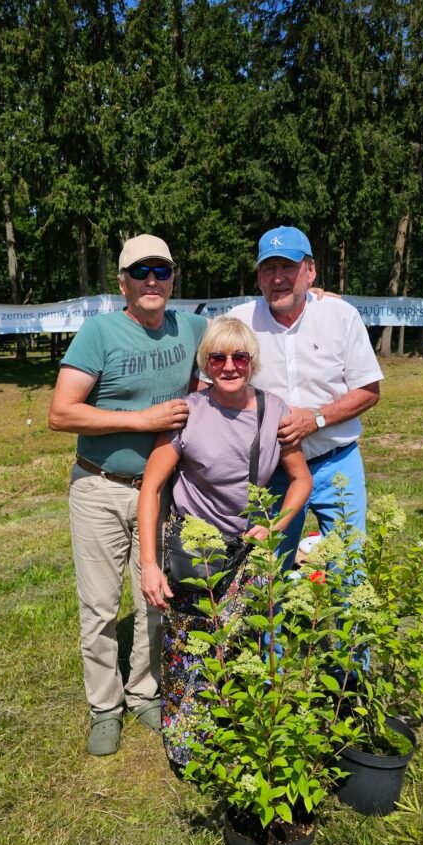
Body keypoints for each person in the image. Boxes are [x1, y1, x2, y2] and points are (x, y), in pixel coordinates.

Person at [48, 234, 208, 755]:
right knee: (98, 606)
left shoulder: (192, 328)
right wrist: (141, 420)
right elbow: (61, 412)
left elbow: (246, 335)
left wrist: (315, 296)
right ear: (122, 282)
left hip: (160, 493)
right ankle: (103, 706)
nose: (152, 280)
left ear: (173, 277)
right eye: (141, 272)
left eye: (161, 270)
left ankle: (143, 692)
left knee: (153, 597)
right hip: (99, 486)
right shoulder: (100, 332)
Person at [137, 316, 312, 766]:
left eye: (239, 357)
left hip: (246, 549)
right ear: (205, 361)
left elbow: (300, 480)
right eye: (218, 357)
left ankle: (235, 732)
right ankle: (185, 744)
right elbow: (152, 488)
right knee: (186, 646)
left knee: (239, 644)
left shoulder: (276, 412)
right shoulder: (188, 412)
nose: (229, 366)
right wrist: (150, 565)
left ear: (252, 362)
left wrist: (275, 526)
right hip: (192, 550)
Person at [227, 226, 383, 562]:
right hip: (270, 473)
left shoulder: (340, 316)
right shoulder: (238, 322)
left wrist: (316, 419)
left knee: (349, 568)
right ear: (258, 276)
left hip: (336, 462)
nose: (278, 278)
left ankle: (349, 616)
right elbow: (208, 381)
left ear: (310, 271)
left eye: (288, 267)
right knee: (269, 571)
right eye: (269, 268)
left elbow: (369, 391)